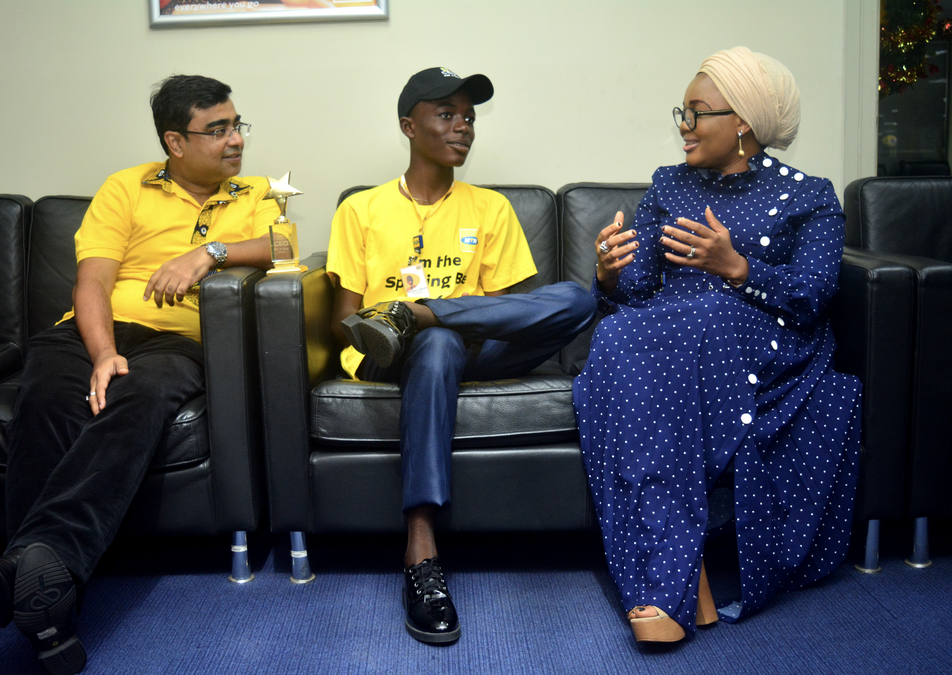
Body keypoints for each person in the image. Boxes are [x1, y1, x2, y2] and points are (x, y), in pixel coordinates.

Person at [0, 74, 281, 675]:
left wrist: (208, 253)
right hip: (90, 330)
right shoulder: (125, 187)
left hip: (179, 343)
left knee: (141, 394)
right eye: (218, 130)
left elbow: (281, 247)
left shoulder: (256, 191)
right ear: (175, 141)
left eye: (237, 125)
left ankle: (24, 569)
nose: (236, 139)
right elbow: (92, 282)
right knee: (47, 396)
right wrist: (102, 352)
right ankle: (46, 598)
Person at [573, 47, 861, 644]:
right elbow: (637, 287)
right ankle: (672, 579)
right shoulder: (669, 185)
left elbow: (814, 294)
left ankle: (666, 582)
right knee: (617, 330)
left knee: (699, 314)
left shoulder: (810, 196)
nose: (684, 125)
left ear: (744, 123)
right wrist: (608, 271)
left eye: (697, 112)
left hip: (762, 343)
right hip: (669, 338)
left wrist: (738, 267)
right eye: (681, 112)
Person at [328, 67, 596, 644]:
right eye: (447, 114)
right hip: (387, 355)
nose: (464, 127)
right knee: (437, 341)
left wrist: (434, 311)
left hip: (472, 351)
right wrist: (409, 324)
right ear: (409, 126)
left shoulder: (490, 208)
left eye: (469, 117)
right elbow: (340, 318)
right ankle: (420, 546)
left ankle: (422, 314)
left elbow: (507, 313)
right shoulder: (361, 209)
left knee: (577, 298)